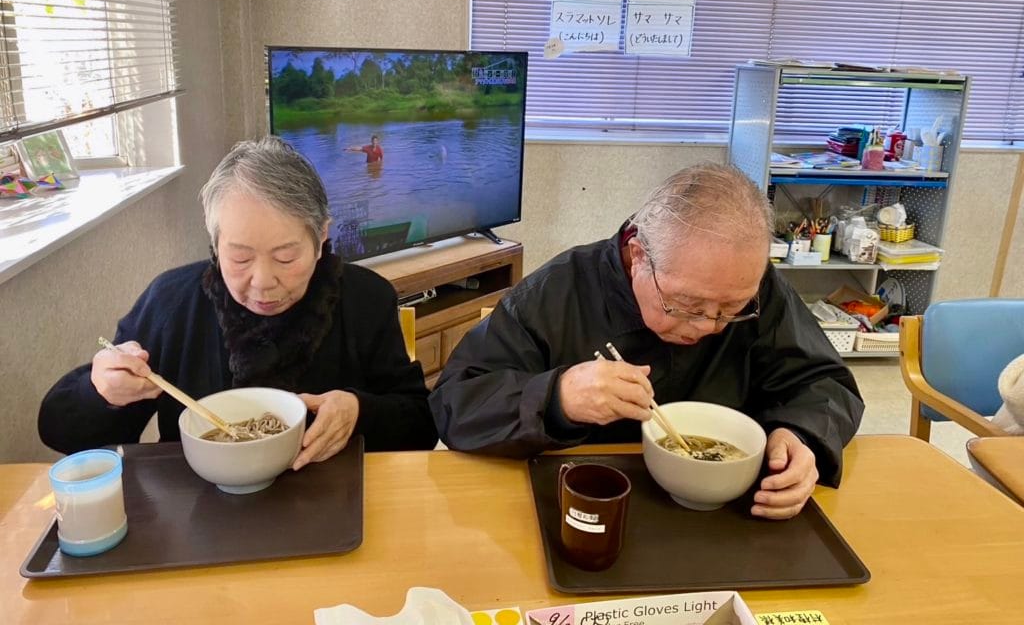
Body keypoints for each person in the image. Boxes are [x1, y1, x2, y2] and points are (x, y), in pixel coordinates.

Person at [429, 163, 864, 519]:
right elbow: (456, 403)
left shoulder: (755, 289)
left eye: (731, 308)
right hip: (579, 502)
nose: (709, 325)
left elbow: (825, 383)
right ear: (638, 256)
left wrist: (801, 437)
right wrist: (557, 396)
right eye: (688, 304)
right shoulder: (557, 293)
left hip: (728, 515)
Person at [39, 136, 437, 464]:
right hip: (200, 513)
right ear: (215, 243)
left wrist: (358, 412)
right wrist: (102, 392)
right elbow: (60, 431)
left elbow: (421, 425)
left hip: (333, 509)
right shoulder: (171, 304)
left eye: (286, 257)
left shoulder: (365, 298)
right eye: (240, 257)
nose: (262, 282)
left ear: (321, 239)